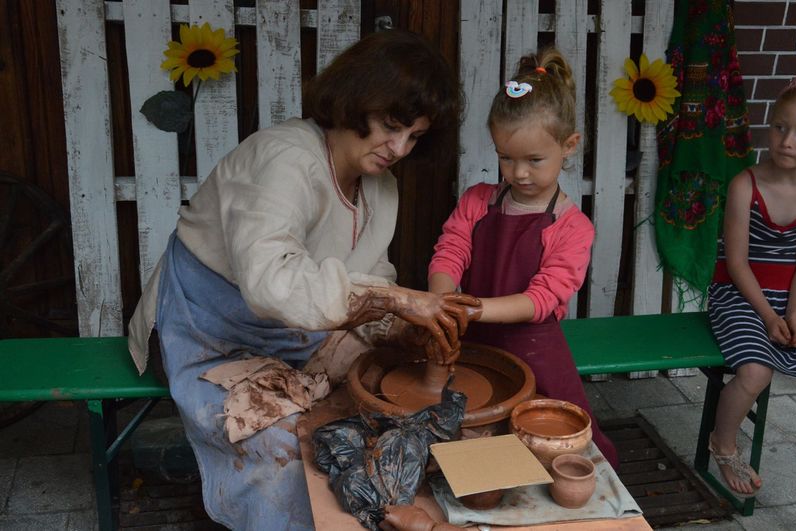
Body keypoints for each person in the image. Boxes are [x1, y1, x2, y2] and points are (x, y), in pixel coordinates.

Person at [126, 30, 479, 531]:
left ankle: (382, 514)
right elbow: (272, 282)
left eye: (415, 136)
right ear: (355, 99)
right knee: (293, 443)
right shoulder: (284, 158)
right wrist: (398, 300)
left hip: (295, 331)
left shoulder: (382, 186)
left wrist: (404, 329)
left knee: (380, 406)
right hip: (206, 332)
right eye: (391, 126)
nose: (399, 148)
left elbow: (371, 275)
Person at [428, 47, 618, 468]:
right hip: (473, 343)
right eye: (505, 158)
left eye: (534, 160)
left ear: (569, 146)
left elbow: (542, 298)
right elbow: (451, 250)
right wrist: (442, 299)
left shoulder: (572, 227)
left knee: (554, 448)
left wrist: (472, 309)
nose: (518, 173)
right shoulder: (478, 201)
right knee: (478, 444)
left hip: (534, 351)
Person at [707, 74, 796, 495]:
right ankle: (723, 443)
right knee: (756, 370)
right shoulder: (745, 185)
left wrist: (794, 313)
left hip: (789, 297)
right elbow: (737, 263)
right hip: (740, 296)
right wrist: (768, 316)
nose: (787, 141)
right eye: (780, 127)